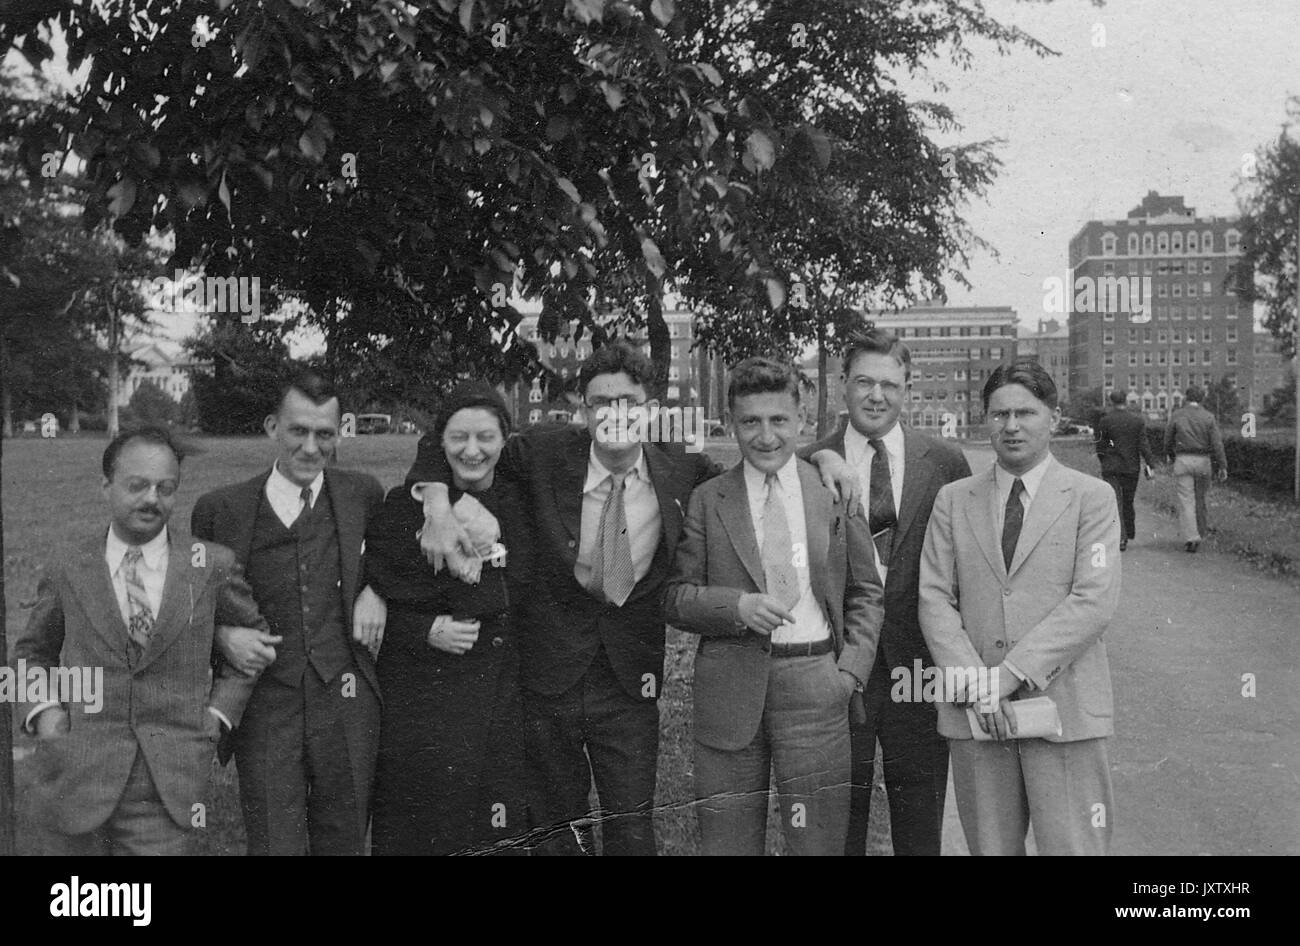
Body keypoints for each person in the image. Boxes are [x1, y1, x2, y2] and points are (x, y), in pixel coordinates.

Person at [406, 342, 723, 855]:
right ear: (582, 409)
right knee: (556, 826)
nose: (614, 413)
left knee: (631, 824)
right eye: (601, 402)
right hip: (549, 671)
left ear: (651, 409)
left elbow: (757, 470)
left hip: (629, 680)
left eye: (627, 401)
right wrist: (438, 504)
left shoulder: (681, 468)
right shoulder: (546, 450)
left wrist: (824, 457)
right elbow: (449, 444)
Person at [664, 357, 884, 856]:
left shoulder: (832, 489)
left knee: (818, 843)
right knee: (729, 842)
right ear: (730, 425)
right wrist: (734, 607)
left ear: (801, 421)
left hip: (815, 685)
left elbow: (867, 592)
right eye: (750, 422)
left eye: (779, 421)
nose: (765, 436)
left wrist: (848, 672)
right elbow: (675, 598)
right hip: (729, 692)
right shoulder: (708, 499)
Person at [12, 426, 266, 855]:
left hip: (166, 783)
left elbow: (253, 647)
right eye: (137, 485)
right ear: (106, 486)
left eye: (165, 488)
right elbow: (29, 653)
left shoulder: (209, 565)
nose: (152, 499)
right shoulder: (68, 567)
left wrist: (217, 717)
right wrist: (45, 715)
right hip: (76, 771)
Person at [918, 360, 1121, 855]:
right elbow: (934, 596)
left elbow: (1093, 601)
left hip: (1064, 710)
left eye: (1025, 413)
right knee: (991, 848)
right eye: (999, 413)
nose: (1011, 426)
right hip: (978, 713)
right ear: (985, 419)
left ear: (1052, 417)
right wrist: (978, 686)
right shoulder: (953, 500)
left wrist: (1007, 676)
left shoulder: (1092, 498)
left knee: (1072, 848)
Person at [191, 370, 387, 855]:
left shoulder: (363, 494)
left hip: (345, 694)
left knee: (343, 837)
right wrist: (220, 635)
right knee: (275, 840)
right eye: (298, 430)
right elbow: (188, 603)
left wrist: (376, 591)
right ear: (272, 427)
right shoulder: (221, 510)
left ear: (340, 433)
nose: (311, 447)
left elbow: (391, 562)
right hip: (265, 702)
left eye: (325, 433)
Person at [800, 328, 971, 856]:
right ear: (842, 384)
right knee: (839, 814)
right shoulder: (806, 462)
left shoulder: (944, 463)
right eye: (864, 382)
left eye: (890, 385)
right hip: (838, 666)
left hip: (917, 667)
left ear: (908, 388)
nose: (877, 396)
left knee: (919, 816)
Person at [364, 383, 530, 855]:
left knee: (493, 828)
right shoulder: (404, 506)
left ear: (505, 441)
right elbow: (373, 587)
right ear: (439, 444)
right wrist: (424, 629)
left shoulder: (522, 502)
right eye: (458, 438)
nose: (472, 451)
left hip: (499, 701)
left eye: (486, 438)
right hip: (423, 704)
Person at [1163, 386, 1228, 553]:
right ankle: (1201, 532)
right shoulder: (1208, 416)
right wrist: (1222, 465)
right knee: (1200, 499)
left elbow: (1168, 440)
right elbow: (1217, 444)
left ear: (1186, 397)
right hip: (1203, 461)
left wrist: (1171, 456)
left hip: (1183, 460)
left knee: (1186, 500)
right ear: (1202, 399)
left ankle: (1192, 537)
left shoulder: (1177, 415)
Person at [1096, 390, 1154, 552]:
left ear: (1111, 402)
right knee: (1128, 501)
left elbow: (1100, 446)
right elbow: (1144, 444)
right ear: (1126, 401)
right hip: (1131, 467)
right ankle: (1128, 533)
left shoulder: (1105, 421)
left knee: (1115, 502)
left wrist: (1104, 462)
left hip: (1111, 467)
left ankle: (1120, 537)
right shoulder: (1137, 421)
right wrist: (1151, 464)